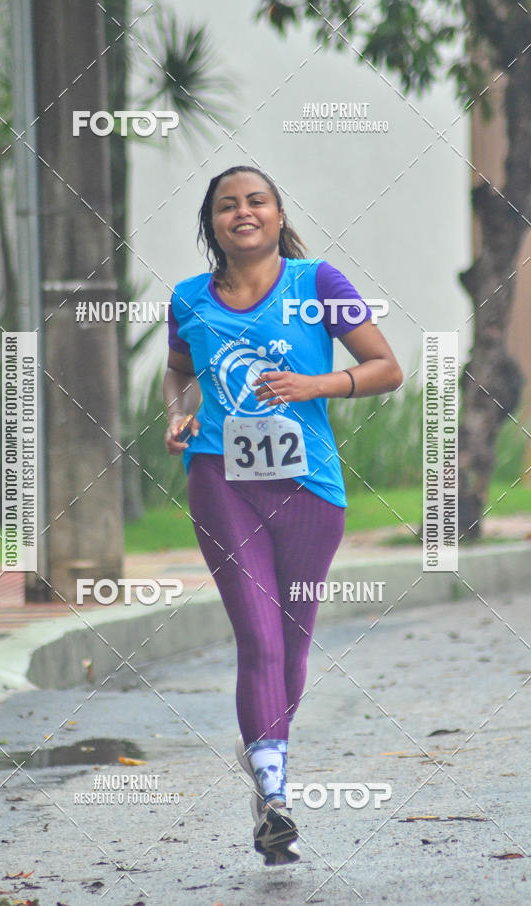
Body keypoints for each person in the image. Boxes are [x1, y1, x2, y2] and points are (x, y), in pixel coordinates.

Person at [163, 165, 402, 865]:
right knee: (258, 637)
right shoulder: (187, 299)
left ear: (276, 215)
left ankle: (263, 749)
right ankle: (274, 799)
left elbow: (386, 367)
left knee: (292, 647)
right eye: (227, 205)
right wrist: (179, 416)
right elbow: (179, 373)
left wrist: (314, 383)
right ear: (212, 225)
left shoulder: (317, 284)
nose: (242, 212)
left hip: (310, 490)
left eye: (255, 201)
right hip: (220, 480)